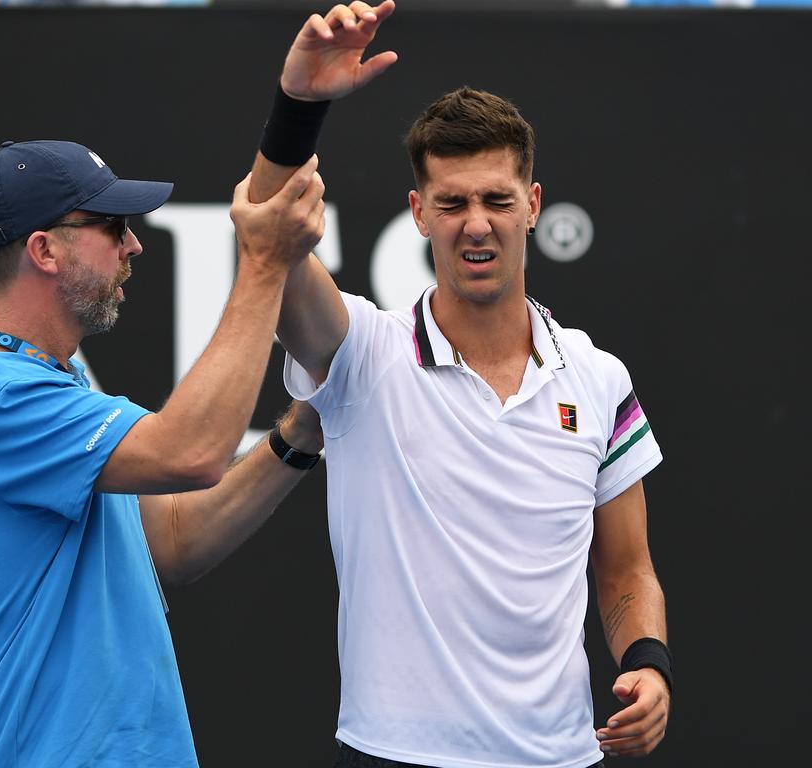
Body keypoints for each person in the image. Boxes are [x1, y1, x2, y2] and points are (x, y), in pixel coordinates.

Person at [248, 3, 673, 767]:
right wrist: (298, 107)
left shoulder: (599, 377)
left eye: (497, 200)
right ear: (419, 213)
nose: (476, 224)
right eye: (452, 203)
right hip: (391, 754)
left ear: (532, 207)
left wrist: (646, 659)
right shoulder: (363, 352)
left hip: (562, 755)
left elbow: (626, 569)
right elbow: (271, 244)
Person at [0, 139, 327, 768]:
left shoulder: (53, 378)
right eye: (112, 227)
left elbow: (171, 539)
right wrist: (265, 264)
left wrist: (300, 432)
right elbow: (192, 452)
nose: (133, 245)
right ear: (44, 250)